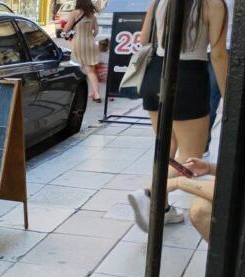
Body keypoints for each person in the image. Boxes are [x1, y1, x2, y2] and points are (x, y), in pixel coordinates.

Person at [127, 0, 229, 232]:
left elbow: (144, 41)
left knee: (165, 149)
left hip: (154, 75)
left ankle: (161, 210)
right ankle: (149, 193)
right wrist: (230, 97)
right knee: (190, 159)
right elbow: (219, 54)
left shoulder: (160, 1)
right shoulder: (213, 4)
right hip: (188, 79)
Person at [206, 0, 234, 154]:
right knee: (216, 98)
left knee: (210, 98)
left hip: (213, 48)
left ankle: (203, 143)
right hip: (223, 48)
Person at [62, 0, 102, 102]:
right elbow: (96, 31)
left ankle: (96, 94)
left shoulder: (74, 13)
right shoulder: (92, 15)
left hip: (78, 43)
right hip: (90, 43)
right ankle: (94, 92)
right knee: (90, 69)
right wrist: (89, 37)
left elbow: (66, 30)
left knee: (83, 68)